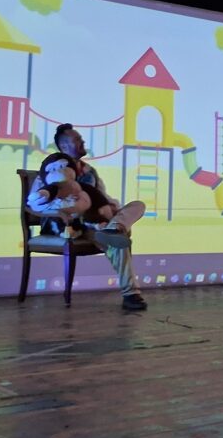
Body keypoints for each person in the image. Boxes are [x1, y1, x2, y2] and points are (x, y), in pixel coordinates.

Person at [30, 123, 149, 310]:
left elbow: (102, 196)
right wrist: (64, 210)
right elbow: (35, 203)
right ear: (64, 146)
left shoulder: (89, 172)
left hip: (97, 221)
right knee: (117, 240)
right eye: (77, 139)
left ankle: (114, 228)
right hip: (71, 226)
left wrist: (112, 207)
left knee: (137, 206)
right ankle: (131, 294)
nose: (83, 141)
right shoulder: (50, 170)